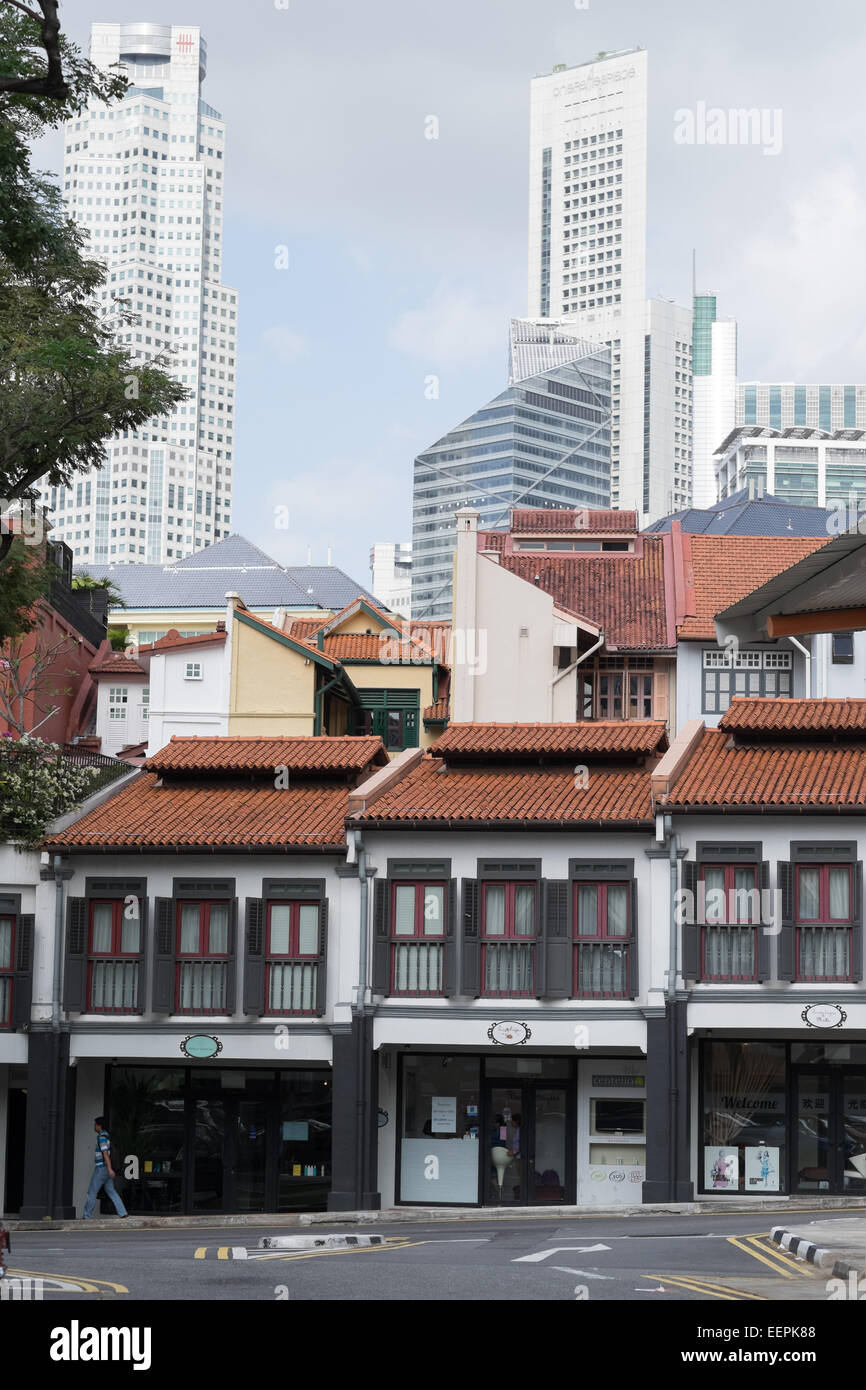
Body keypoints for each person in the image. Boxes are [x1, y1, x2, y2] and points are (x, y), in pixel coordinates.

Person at [83, 1116, 128, 1219]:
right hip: (106, 1169)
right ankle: (123, 1212)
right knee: (111, 1191)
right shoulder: (107, 1136)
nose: (94, 1126)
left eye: (95, 1124)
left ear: (100, 1126)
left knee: (92, 1192)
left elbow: (105, 1154)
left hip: (102, 1169)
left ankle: (87, 1216)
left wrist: (109, 1169)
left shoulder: (102, 1137)